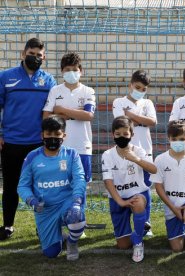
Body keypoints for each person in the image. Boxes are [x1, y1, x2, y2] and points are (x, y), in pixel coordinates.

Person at [0, 38, 57, 240]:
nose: (35, 58)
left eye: (39, 55)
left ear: (44, 57)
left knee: (42, 187)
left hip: (37, 143)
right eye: (31, 54)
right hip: (12, 142)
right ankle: (8, 225)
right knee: (11, 186)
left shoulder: (49, 81)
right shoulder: (5, 77)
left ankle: (42, 226)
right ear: (23, 54)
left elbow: (51, 113)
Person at [17, 116, 86, 260]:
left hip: (67, 203)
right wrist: (31, 200)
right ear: (42, 135)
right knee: (51, 253)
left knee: (76, 217)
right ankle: (61, 235)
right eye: (49, 134)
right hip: (45, 209)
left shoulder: (71, 154)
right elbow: (22, 185)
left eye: (57, 134)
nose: (52, 138)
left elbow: (80, 179)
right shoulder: (32, 157)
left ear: (64, 136)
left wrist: (77, 202)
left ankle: (72, 243)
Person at [101, 116, 157, 263]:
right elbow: (108, 182)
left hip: (139, 194)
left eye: (125, 134)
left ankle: (138, 241)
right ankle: (142, 228)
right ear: (113, 134)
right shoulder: (107, 155)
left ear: (132, 135)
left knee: (138, 202)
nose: (121, 137)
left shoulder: (138, 151)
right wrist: (120, 202)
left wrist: (136, 159)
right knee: (123, 245)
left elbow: (154, 169)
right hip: (118, 198)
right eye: (118, 134)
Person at [150, 121, 185, 258]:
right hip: (172, 205)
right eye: (174, 139)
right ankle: (184, 227)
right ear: (168, 138)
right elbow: (158, 187)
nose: (177, 142)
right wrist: (173, 208)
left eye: (181, 139)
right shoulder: (160, 159)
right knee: (177, 248)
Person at [112, 70, 156, 236]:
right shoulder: (118, 102)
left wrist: (131, 114)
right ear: (130, 85)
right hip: (125, 152)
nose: (140, 91)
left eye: (143, 89)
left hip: (145, 153)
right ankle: (124, 223)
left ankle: (146, 223)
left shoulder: (148, 104)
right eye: (137, 87)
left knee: (145, 188)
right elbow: (122, 124)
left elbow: (152, 122)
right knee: (126, 188)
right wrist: (136, 119)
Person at [43, 52, 96, 184]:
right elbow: (46, 117)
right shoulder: (55, 90)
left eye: (74, 69)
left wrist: (61, 111)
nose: (71, 73)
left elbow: (88, 115)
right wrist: (77, 113)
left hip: (82, 146)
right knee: (61, 183)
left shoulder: (88, 91)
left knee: (81, 183)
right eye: (67, 70)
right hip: (60, 146)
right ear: (62, 71)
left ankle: (79, 205)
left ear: (81, 71)